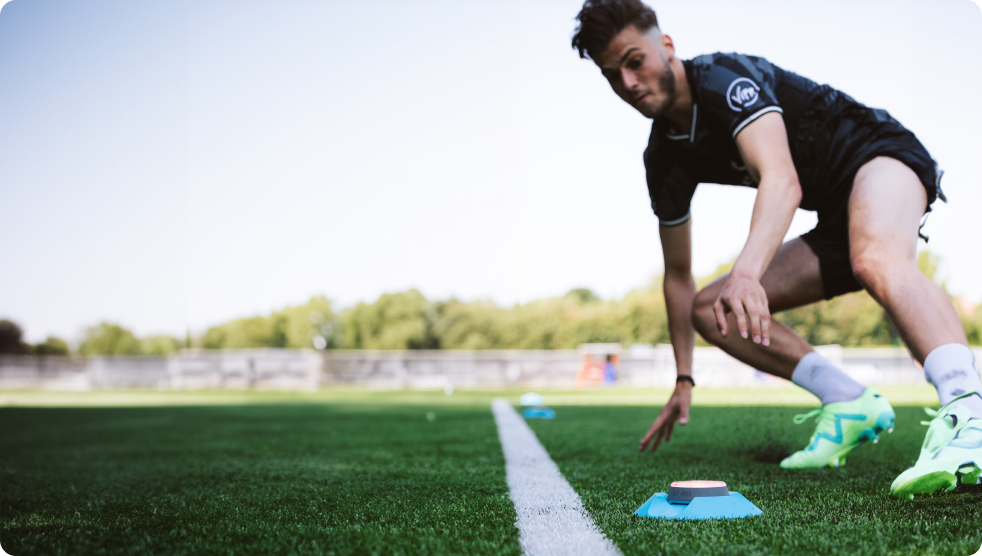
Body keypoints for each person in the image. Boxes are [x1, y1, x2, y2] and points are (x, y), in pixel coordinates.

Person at [570, 0, 982, 498]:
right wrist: (684, 376)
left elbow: (781, 180)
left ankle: (971, 417)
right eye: (613, 75)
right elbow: (678, 276)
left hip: (878, 156)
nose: (629, 83)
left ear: (667, 46)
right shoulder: (663, 158)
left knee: (875, 257)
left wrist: (746, 272)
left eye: (635, 61)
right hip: (835, 215)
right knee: (710, 308)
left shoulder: (724, 78)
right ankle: (848, 401)